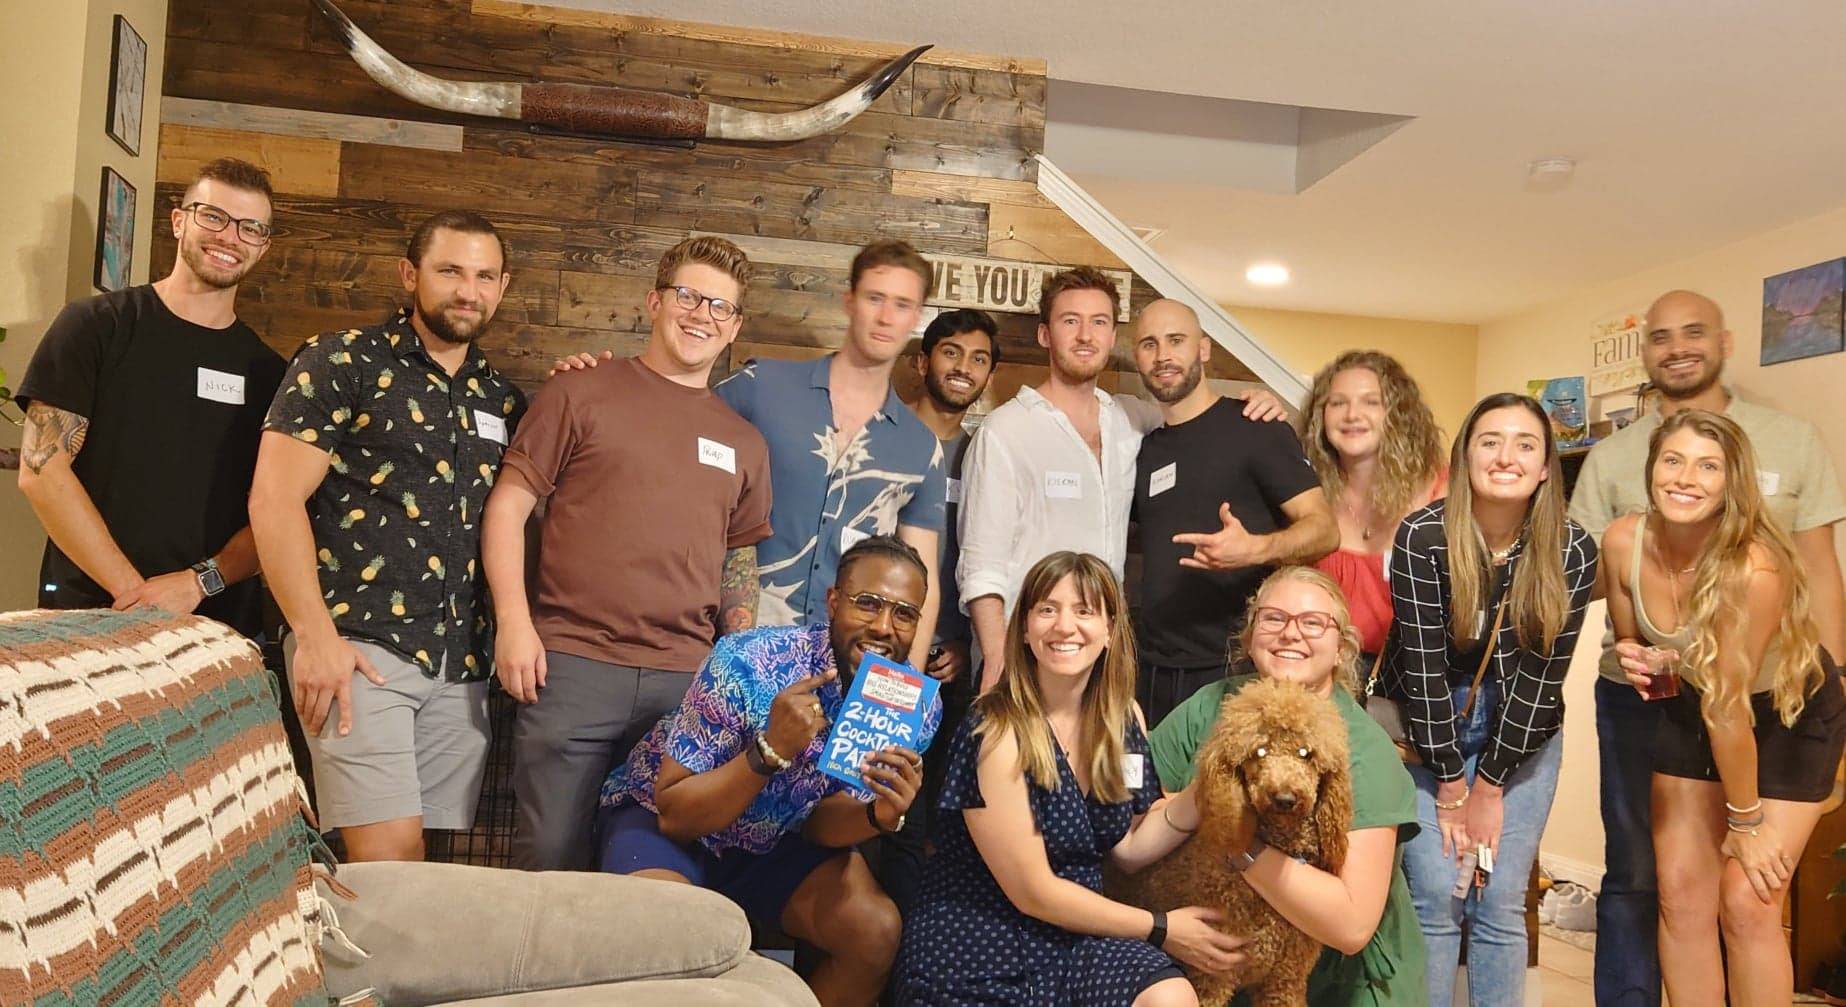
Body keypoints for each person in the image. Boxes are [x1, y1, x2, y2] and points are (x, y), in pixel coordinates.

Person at [1566, 289, 1846, 1007]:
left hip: (1782, 713)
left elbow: (1731, 704)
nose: (1686, 478)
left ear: (1732, 483)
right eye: (1674, 463)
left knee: (1747, 902)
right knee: (1680, 900)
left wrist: (1747, 825)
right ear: (1650, 467)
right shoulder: (1626, 536)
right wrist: (1641, 658)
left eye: (1708, 467)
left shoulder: (1754, 567)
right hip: (1695, 710)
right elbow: (1640, 637)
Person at [481, 236, 773, 871]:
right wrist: (513, 624)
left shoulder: (743, 441)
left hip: (684, 683)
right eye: (689, 296)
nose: (702, 315)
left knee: (653, 871)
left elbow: (738, 559)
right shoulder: (579, 392)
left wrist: (733, 663)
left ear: (735, 327)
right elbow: (508, 507)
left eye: (720, 307)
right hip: (572, 666)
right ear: (654, 301)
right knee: (549, 866)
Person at [249, 210, 526, 862]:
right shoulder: (340, 359)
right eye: (450, 270)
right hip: (359, 652)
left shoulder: (502, 400)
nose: (468, 289)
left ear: (503, 286)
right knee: (391, 865)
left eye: (485, 275)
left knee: (418, 884)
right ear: (410, 274)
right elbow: (273, 498)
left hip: (461, 668)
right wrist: (313, 635)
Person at [596, 536, 939, 1007]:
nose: (885, 626)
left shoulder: (914, 708)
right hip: (666, 819)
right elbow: (676, 814)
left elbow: (820, 828)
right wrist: (769, 752)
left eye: (904, 613)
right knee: (668, 926)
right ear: (834, 602)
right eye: (868, 604)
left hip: (775, 839)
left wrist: (878, 814)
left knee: (874, 931)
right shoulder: (747, 662)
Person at [891, 550, 1243, 1007]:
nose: (1064, 626)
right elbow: (1033, 892)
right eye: (1047, 610)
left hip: (1077, 937)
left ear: (1110, 630)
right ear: (1024, 628)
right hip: (981, 940)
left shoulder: (1123, 719)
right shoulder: (995, 732)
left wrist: (1208, 789)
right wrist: (1161, 928)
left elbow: (1131, 848)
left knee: (1170, 996)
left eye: (1084, 610)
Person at [1380, 392, 1597, 1007]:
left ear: (1547, 467)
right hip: (1427, 731)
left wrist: (1490, 785)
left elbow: (1541, 678)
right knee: (1437, 895)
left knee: (1500, 902)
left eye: (1526, 444)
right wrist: (1452, 784)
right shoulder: (1423, 536)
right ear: (1464, 456)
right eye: (1490, 441)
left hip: (1522, 734)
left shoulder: (1573, 550)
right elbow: (1421, 673)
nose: (1507, 457)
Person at [16, 157, 285, 639]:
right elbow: (41, 472)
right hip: (86, 614)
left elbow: (281, 509)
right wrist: (138, 597)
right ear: (179, 221)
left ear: (263, 247)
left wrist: (198, 583)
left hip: (214, 626)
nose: (230, 237)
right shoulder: (97, 326)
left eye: (250, 228)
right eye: (214, 216)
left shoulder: (271, 373)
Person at [1147, 565, 1427, 1006]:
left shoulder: (1361, 750)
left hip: (1336, 980)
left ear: (1341, 649)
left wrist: (1237, 844)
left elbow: (1350, 926)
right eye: (1273, 618)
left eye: (1313, 622)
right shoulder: (1211, 706)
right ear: (1250, 635)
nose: (1290, 634)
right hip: (1212, 955)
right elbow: (1135, 818)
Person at [1130, 299, 1338, 724]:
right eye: (1149, 344)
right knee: (1154, 791)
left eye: (1176, 341)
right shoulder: (1147, 447)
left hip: (1235, 670)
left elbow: (1324, 529)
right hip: (1152, 671)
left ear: (1203, 349)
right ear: (1137, 357)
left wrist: (1254, 550)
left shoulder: (1255, 428)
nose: (1163, 355)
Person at [878, 307, 1001, 914]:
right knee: (872, 812)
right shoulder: (887, 435)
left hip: (949, 673)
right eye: (952, 352)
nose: (964, 368)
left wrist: (959, 643)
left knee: (932, 824)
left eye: (979, 359)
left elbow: (981, 563)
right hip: (874, 661)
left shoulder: (984, 458)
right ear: (924, 361)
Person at [1298, 350, 1447, 667]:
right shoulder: (1306, 495)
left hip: (1417, 677)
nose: (1352, 414)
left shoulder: (1442, 490)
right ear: (1320, 416)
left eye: (1371, 402)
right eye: (1338, 403)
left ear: (1397, 413)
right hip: (1325, 677)